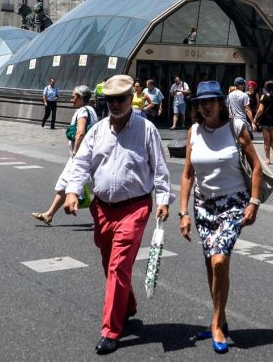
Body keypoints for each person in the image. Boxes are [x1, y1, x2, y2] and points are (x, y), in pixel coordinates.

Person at [61, 75, 173, 356]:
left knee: (118, 265)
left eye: (120, 99)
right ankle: (128, 304)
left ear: (130, 99)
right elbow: (81, 164)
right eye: (109, 100)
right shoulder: (98, 131)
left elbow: (160, 169)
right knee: (109, 260)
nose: (115, 104)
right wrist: (73, 192)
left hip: (134, 207)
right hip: (102, 208)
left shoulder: (146, 130)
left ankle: (111, 330)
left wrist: (163, 200)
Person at [178, 80, 262, 353]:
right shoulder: (193, 131)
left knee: (219, 260)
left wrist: (254, 202)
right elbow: (188, 175)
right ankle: (221, 318)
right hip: (203, 205)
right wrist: (183, 212)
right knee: (210, 263)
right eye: (201, 102)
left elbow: (257, 166)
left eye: (210, 101)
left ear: (220, 103)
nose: (205, 106)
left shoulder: (236, 127)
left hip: (233, 203)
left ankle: (215, 323)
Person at [33, 85, 98, 226]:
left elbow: (80, 132)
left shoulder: (82, 111)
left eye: (74, 97)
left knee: (96, 188)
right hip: (84, 155)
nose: (71, 100)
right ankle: (49, 214)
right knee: (65, 183)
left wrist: (76, 152)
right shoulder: (92, 110)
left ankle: (101, 219)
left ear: (81, 98)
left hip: (81, 156)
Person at [253, 80, 273, 163]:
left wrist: (255, 119)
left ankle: (268, 159)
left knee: (266, 141)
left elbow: (260, 110)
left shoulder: (264, 97)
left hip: (265, 121)